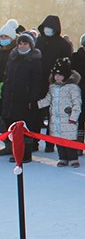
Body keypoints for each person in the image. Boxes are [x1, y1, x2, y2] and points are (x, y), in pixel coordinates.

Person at [1, 32, 42, 163]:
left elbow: (37, 82)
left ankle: (25, 154)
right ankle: (11, 148)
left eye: (25, 44)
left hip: (25, 98)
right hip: (10, 96)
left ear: (30, 45)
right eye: (20, 43)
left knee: (24, 126)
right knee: (10, 124)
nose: (22, 46)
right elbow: (7, 76)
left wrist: (32, 98)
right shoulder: (12, 57)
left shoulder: (35, 59)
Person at [36, 15, 73, 152]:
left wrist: (60, 77)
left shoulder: (62, 44)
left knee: (53, 113)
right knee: (37, 111)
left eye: (51, 27)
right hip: (38, 81)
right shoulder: (38, 41)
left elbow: (66, 63)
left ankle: (50, 143)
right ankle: (34, 141)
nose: (48, 30)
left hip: (55, 82)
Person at [37, 57, 82, 167]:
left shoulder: (72, 87)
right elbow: (48, 99)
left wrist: (73, 117)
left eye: (60, 75)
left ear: (66, 75)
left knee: (70, 140)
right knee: (59, 140)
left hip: (68, 119)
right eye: (55, 74)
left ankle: (73, 159)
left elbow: (77, 103)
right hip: (55, 119)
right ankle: (62, 158)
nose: (57, 77)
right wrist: (37, 105)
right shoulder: (52, 87)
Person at [0, 19, 19, 156]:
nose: (3, 39)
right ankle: (6, 142)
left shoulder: (16, 52)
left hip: (12, 89)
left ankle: (12, 144)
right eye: (1, 36)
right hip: (1, 88)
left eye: (5, 36)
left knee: (9, 117)